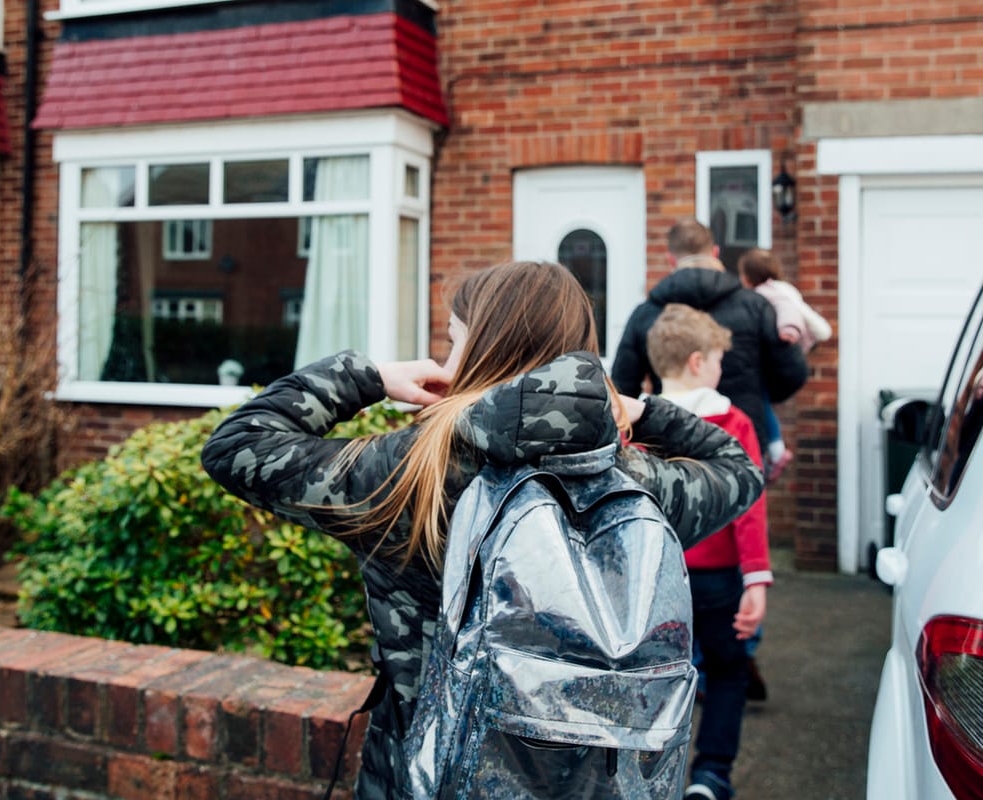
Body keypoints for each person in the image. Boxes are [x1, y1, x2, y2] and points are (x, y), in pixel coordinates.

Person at [201, 260, 766, 799]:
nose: (447, 357)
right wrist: (637, 409)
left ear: (480, 349)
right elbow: (738, 469)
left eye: (454, 340)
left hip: (430, 774)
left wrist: (370, 377)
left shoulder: (411, 473)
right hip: (594, 778)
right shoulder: (633, 482)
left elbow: (238, 445)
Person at [647, 303, 771, 800]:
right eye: (719, 360)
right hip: (718, 577)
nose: (722, 369)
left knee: (654, 677)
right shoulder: (733, 422)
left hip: (657, 576)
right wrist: (756, 578)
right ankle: (710, 775)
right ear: (698, 362)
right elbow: (749, 506)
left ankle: (650, 775)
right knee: (727, 672)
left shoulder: (638, 423)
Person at [611, 218, 809, 473]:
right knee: (745, 496)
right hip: (743, 437)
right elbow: (792, 373)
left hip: (671, 441)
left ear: (671, 259)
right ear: (715, 253)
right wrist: (757, 396)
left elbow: (623, 385)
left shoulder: (646, 313)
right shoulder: (755, 306)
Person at [737, 247, 832, 480]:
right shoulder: (779, 288)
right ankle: (775, 449)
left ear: (748, 276)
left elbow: (786, 310)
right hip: (786, 355)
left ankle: (777, 451)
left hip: (786, 349)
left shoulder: (769, 292)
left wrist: (788, 329)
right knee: (764, 402)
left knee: (762, 401)